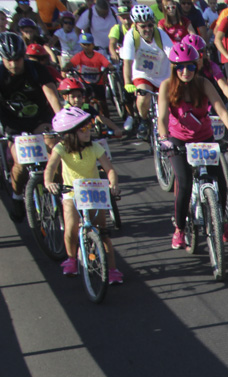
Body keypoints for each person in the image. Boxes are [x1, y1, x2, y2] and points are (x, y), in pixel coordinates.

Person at [158, 41, 228, 248]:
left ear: (196, 66)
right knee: (184, 182)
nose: (185, 71)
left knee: (221, 182)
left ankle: (221, 221)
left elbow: (221, 110)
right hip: (178, 140)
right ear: (173, 68)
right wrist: (164, 139)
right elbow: (162, 118)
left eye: (190, 66)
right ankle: (179, 228)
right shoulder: (166, 86)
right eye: (180, 67)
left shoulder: (204, 83)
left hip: (204, 138)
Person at [44, 107, 122, 283]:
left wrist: (113, 183)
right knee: (71, 226)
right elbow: (51, 167)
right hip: (71, 191)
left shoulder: (94, 147)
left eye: (89, 127)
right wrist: (49, 182)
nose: (88, 132)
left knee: (102, 233)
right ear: (70, 134)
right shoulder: (61, 148)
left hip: (94, 192)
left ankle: (113, 269)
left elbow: (109, 169)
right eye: (83, 129)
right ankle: (71, 259)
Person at [0, 32, 63, 222]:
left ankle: (63, 190)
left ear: (24, 56)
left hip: (40, 120)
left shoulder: (37, 70)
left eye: (18, 59)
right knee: (20, 162)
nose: (13, 64)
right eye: (8, 60)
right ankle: (18, 196)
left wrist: (62, 123)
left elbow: (53, 97)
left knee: (55, 149)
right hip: (14, 124)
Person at [121, 3, 173, 139]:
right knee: (143, 96)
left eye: (150, 25)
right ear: (135, 25)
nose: (148, 29)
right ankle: (143, 119)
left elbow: (173, 57)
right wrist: (127, 82)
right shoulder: (131, 37)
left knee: (170, 104)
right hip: (142, 74)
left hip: (163, 74)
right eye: (143, 26)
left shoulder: (161, 35)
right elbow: (127, 62)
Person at [181, 31, 228, 116]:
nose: (197, 58)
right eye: (192, 54)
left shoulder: (210, 66)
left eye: (200, 54)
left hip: (208, 105)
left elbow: (225, 87)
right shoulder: (181, 71)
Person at [66, 31, 111, 104]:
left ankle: (105, 114)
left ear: (93, 45)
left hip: (98, 82)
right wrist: (66, 67)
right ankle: (86, 112)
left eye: (88, 45)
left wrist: (110, 66)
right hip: (84, 83)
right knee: (84, 101)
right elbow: (72, 63)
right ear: (80, 45)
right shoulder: (79, 56)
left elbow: (106, 63)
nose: (86, 47)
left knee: (102, 101)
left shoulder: (98, 56)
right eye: (84, 45)